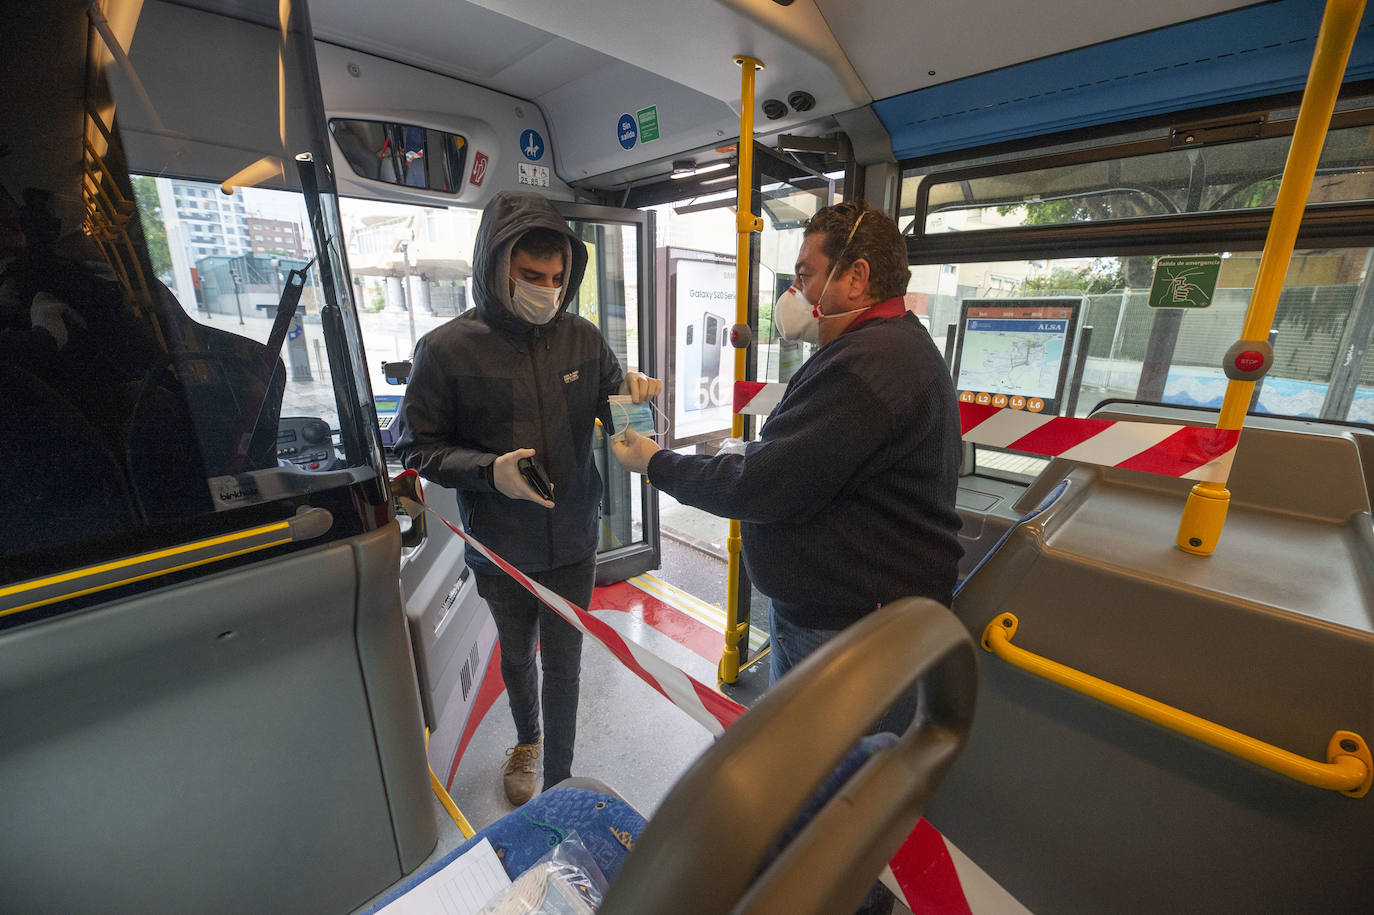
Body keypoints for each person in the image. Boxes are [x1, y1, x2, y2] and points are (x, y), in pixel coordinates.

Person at [612, 200, 964, 705]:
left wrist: (654, 462)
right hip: (849, 617)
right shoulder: (885, 347)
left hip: (848, 633)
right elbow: (812, 464)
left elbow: (762, 486)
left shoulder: (869, 364)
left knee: (821, 780)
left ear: (856, 277)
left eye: (805, 275)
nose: (793, 293)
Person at [395, 191, 661, 806]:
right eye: (531, 276)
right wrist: (490, 472)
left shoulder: (584, 339)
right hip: (500, 547)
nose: (547, 288)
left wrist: (635, 401)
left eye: (558, 278)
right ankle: (529, 742)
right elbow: (415, 448)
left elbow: (616, 417)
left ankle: (561, 778)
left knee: (564, 662)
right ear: (495, 266)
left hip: (571, 540)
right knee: (517, 656)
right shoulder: (446, 350)